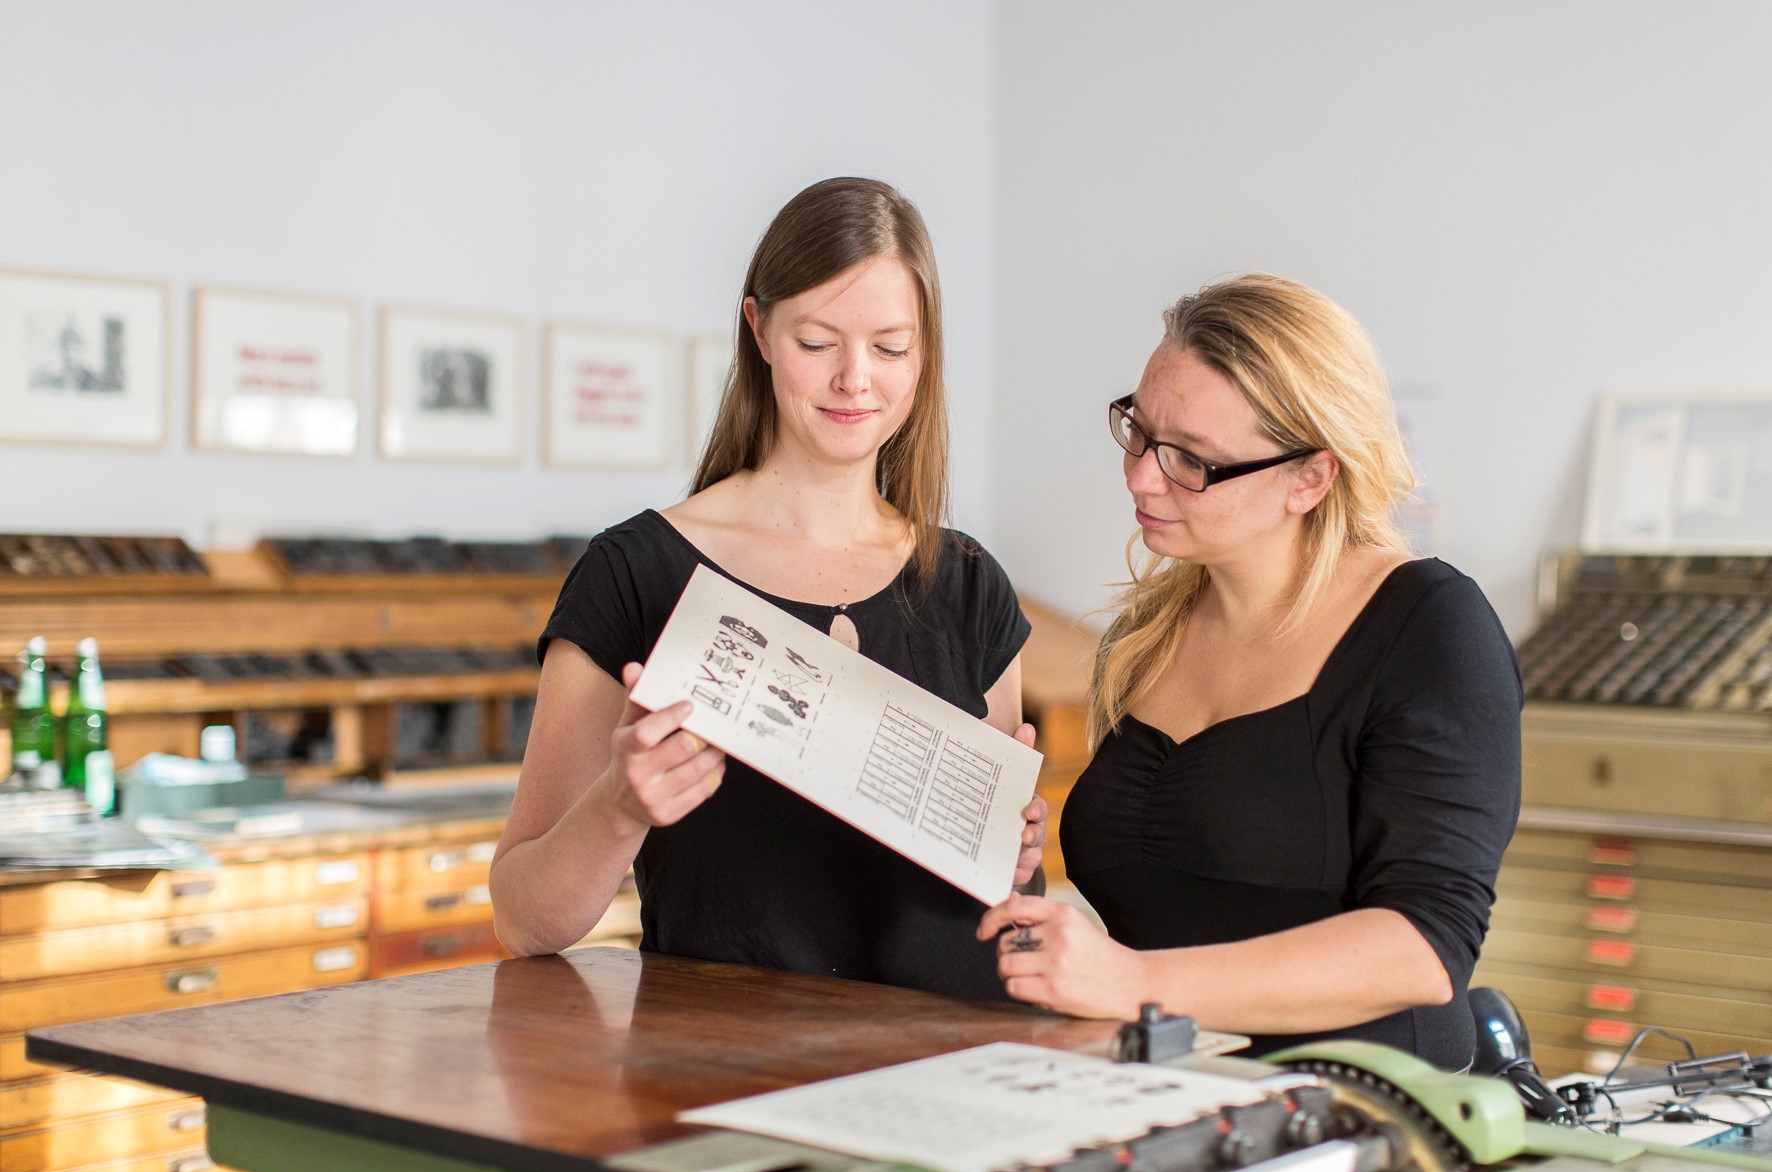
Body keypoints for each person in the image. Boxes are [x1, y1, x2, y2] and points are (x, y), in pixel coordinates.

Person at [492, 177, 1046, 1001]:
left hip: (938, 1075)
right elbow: (521, 918)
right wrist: (620, 807)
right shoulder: (638, 574)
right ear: (758, 328)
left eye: (891, 348)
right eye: (819, 341)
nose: (856, 379)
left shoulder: (968, 587)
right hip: (714, 1083)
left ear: (925, 351)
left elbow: (1005, 915)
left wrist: (1010, 862)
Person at [977, 273, 1520, 1070]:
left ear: (1311, 476)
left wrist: (1131, 980)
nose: (1140, 477)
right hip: (1164, 1091)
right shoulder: (1147, 634)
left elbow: (1425, 948)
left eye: (1192, 460)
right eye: (1139, 430)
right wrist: (1009, 853)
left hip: (1355, 1113)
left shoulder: (1430, 626)